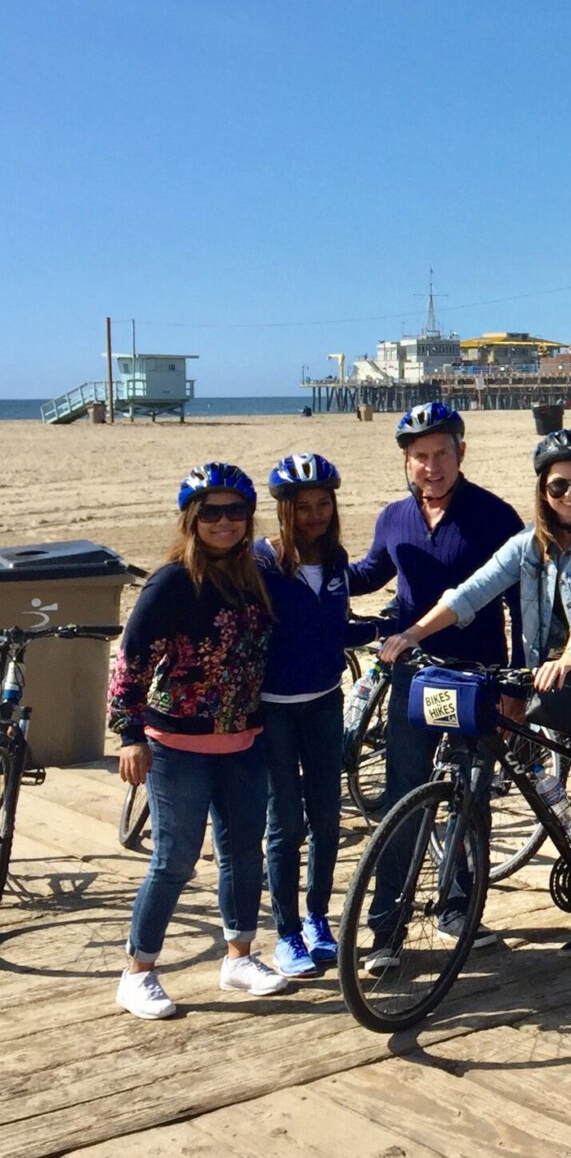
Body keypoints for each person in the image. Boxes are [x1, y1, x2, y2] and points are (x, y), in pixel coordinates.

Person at [385, 429, 571, 954]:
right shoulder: (529, 544)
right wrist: (414, 633)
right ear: (543, 491)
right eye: (559, 486)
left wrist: (570, 653)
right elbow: (472, 590)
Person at [110, 464, 290, 1019]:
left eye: (236, 511)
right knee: (174, 859)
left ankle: (239, 956)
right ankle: (138, 971)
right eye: (211, 512)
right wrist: (129, 734)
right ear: (192, 519)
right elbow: (131, 657)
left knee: (242, 853)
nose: (224, 522)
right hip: (176, 745)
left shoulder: (253, 575)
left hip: (243, 739)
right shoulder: (171, 582)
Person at [349, 402, 525, 950]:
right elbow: (369, 573)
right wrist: (305, 563)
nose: (431, 466)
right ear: (407, 461)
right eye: (420, 456)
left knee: (470, 797)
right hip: (414, 677)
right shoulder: (393, 518)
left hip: (478, 679)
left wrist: (516, 685)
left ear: (461, 453)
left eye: (441, 453)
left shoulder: (496, 516)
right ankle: (386, 930)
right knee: (405, 796)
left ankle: (459, 909)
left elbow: (521, 606)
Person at [252, 454, 376, 977]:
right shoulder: (260, 562)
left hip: (325, 703)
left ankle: (317, 918)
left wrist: (380, 629)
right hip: (274, 712)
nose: (315, 514)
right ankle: (285, 933)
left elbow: (331, 630)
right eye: (303, 507)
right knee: (286, 824)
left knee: (327, 818)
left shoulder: (336, 559)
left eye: (324, 504)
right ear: (285, 510)